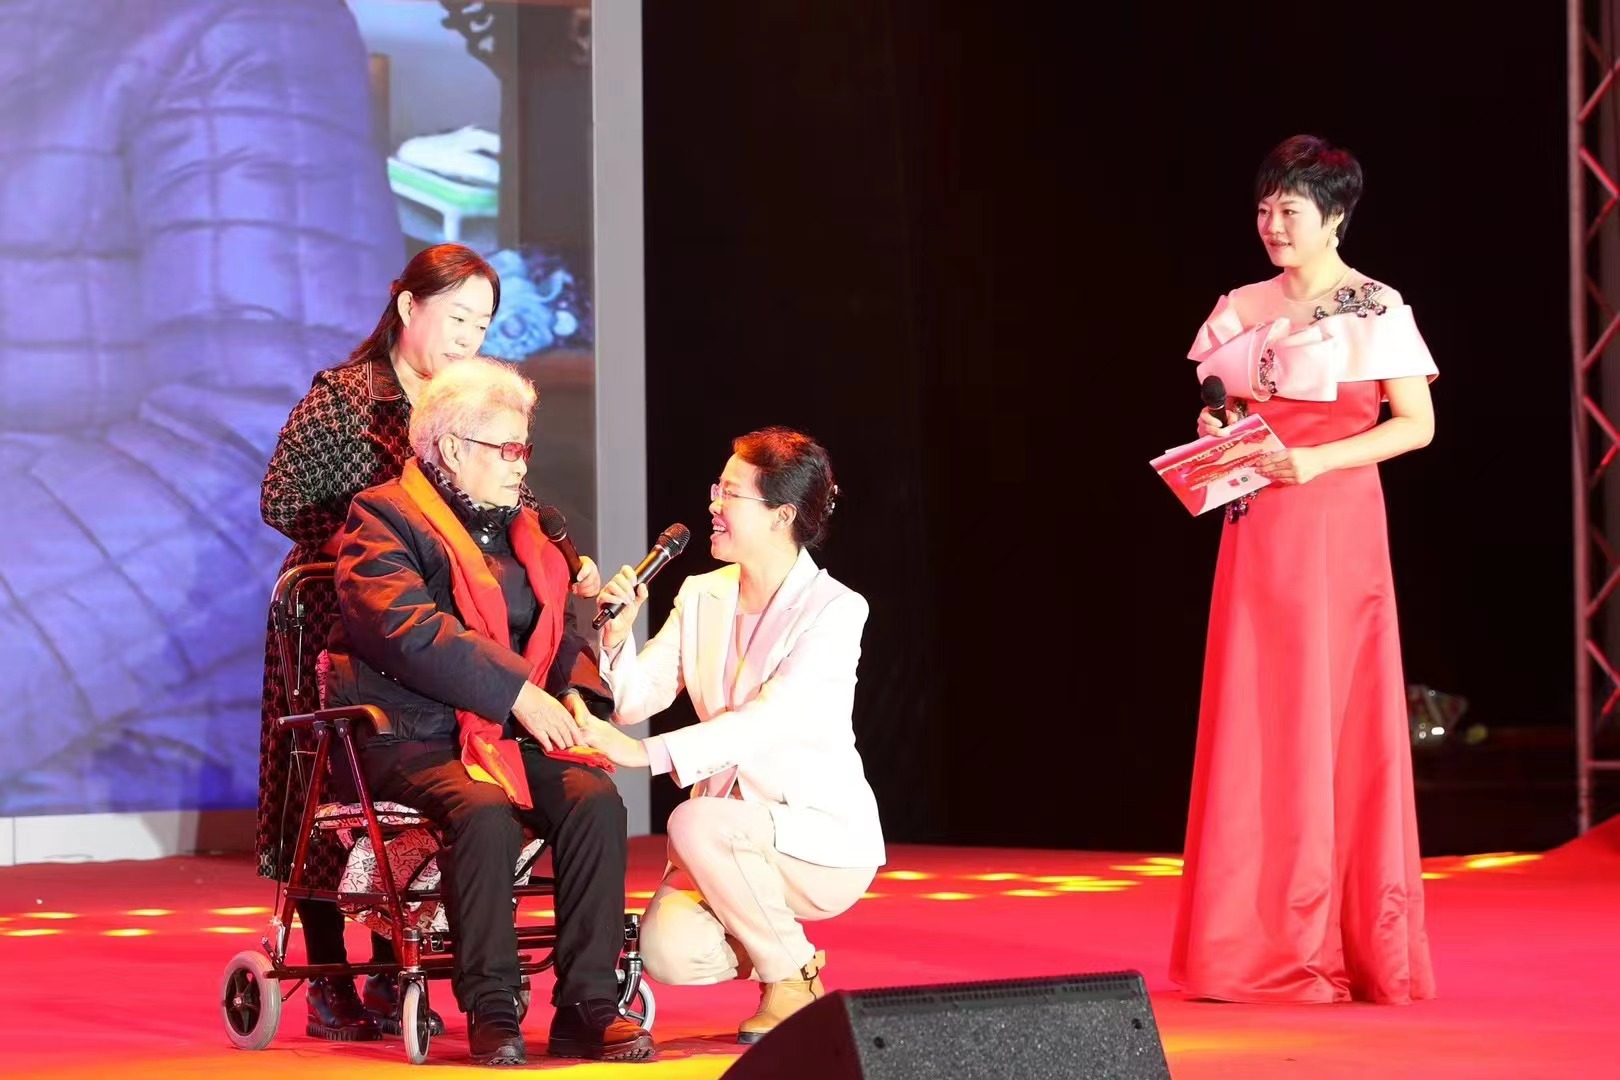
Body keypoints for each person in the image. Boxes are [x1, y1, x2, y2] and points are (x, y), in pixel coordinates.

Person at [255, 243, 600, 1040]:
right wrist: (375, 545)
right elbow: (280, 498)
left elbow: (510, 505)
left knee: (427, 788)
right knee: (327, 787)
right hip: (340, 611)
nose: (468, 337)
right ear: (409, 307)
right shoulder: (347, 397)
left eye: (482, 324)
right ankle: (330, 976)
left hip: (443, 623)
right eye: (457, 318)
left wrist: (566, 562)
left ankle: (393, 968)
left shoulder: (471, 403)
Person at [324, 356, 653, 1066]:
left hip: (502, 735)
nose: (520, 463)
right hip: (411, 735)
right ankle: (493, 1008)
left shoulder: (522, 528)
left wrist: (573, 694)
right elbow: (408, 632)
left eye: (523, 447)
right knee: (482, 809)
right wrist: (519, 694)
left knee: (595, 799)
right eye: (506, 448)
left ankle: (589, 1004)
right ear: (450, 447)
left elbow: (554, 634)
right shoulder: (383, 516)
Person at [1170, 135, 1438, 1005]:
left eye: (1290, 209)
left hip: (1336, 524)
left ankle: (1332, 940)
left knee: (1332, 715)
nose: (1273, 223)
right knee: (1257, 714)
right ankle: (1249, 942)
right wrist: (1218, 432)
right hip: (1256, 524)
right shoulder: (1242, 304)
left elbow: (1416, 425)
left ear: (1336, 216)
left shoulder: (1375, 305)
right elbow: (1230, 403)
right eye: (1264, 207)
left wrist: (1315, 462)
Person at [579, 427, 886, 1044]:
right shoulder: (703, 593)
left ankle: (792, 979)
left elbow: (768, 720)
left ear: (781, 515)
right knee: (668, 951)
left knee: (693, 821)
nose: (713, 505)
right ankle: (774, 940)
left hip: (815, 841)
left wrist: (643, 754)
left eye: (730, 493)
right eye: (715, 489)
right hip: (725, 842)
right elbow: (638, 698)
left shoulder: (835, 609)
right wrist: (617, 638)